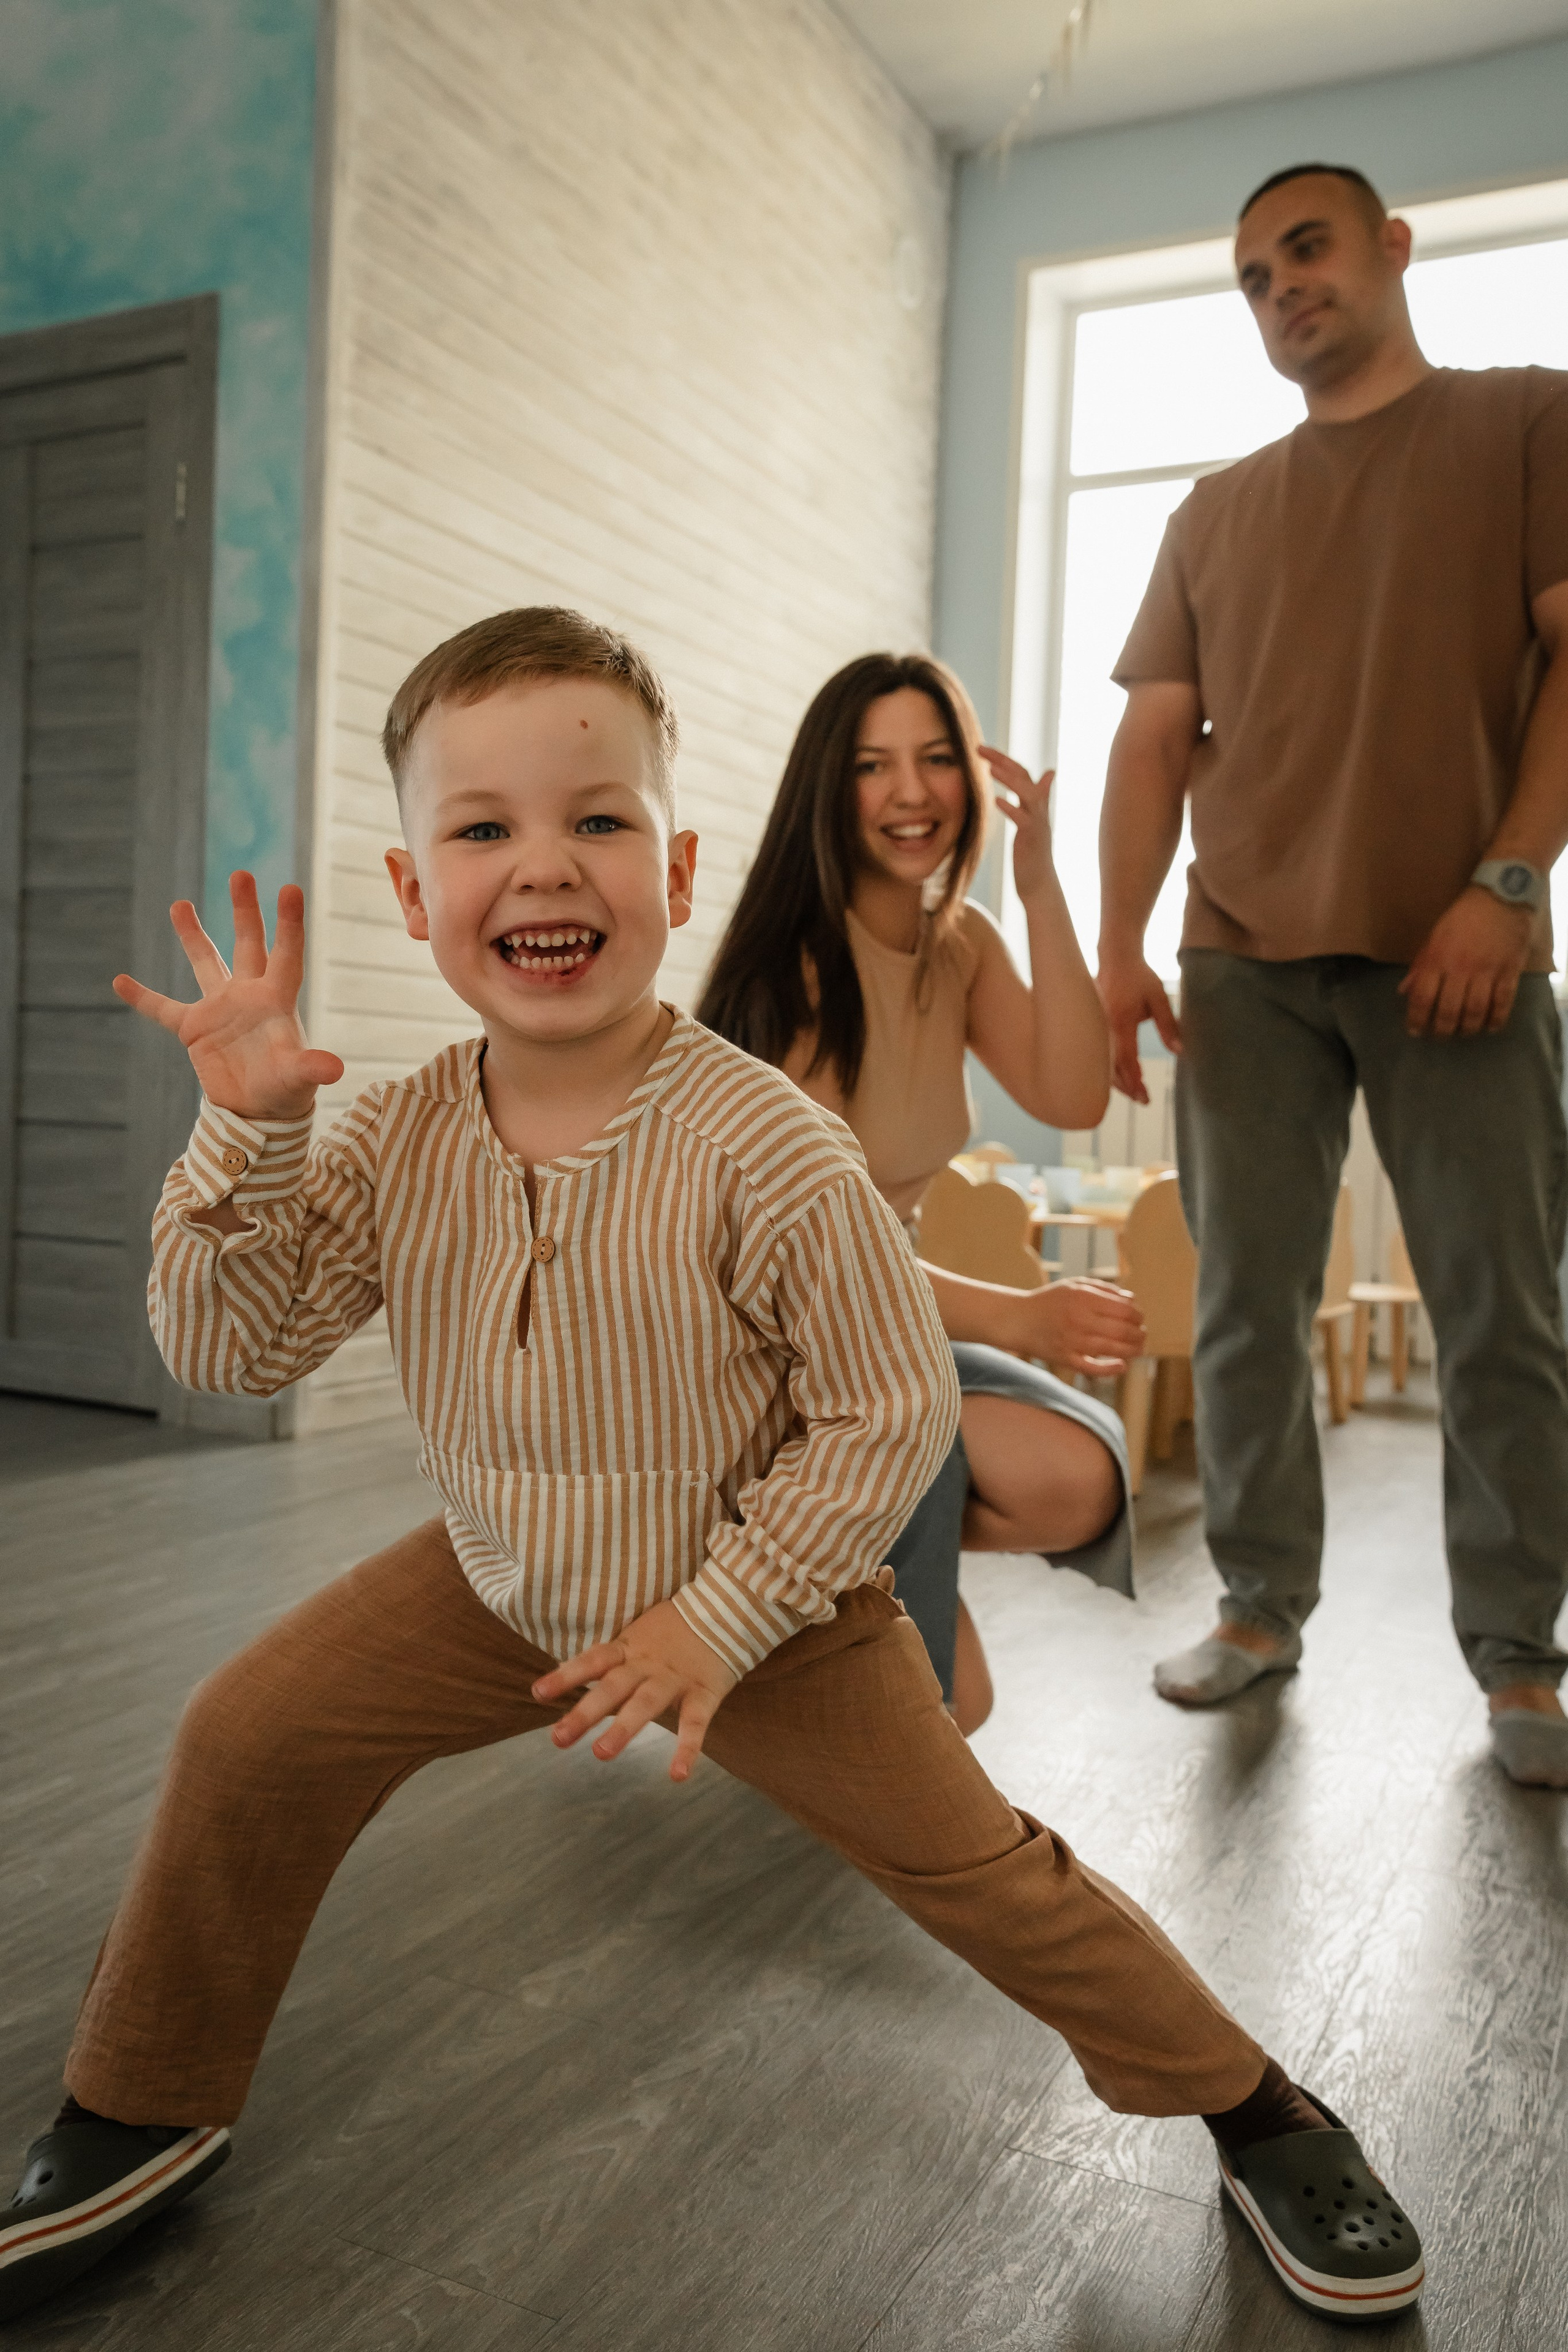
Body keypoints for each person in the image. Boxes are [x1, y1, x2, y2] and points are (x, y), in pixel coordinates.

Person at [1, 608, 1421, 2326]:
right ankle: (143, 2092)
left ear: (672, 870)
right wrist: (248, 1128)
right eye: (483, 829)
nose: (547, 866)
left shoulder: (766, 1138)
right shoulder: (382, 1135)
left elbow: (889, 1416)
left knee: (981, 1872)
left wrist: (717, 1619)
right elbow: (234, 1348)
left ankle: (1261, 2108)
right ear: (408, 891)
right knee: (247, 1733)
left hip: (770, 1609)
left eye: (596, 823)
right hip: (499, 1569)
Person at [1097, 162, 1568, 1789]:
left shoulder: (1527, 423)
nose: (1281, 284)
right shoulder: (1211, 511)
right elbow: (1154, 743)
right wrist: (1111, 950)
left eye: (1307, 248)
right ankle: (1256, 1606)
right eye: (1250, 273)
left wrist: (1509, 887)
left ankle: (1521, 1664)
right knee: (1241, 1307)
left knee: (1503, 1309)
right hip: (1241, 964)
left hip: (1462, 950)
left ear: (1390, 248)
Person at [699, 653, 1144, 1733]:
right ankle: (768, 1560)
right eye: (874, 765)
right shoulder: (796, 972)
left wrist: (1039, 885)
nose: (912, 793)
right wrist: (1022, 1315)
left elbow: (1077, 1092)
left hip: (883, 1334)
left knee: (1082, 1478)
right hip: (760, 1342)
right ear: (828, 787)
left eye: (938, 759)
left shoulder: (959, 944)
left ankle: (825, 1570)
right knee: (947, 1712)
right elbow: (816, 1251)